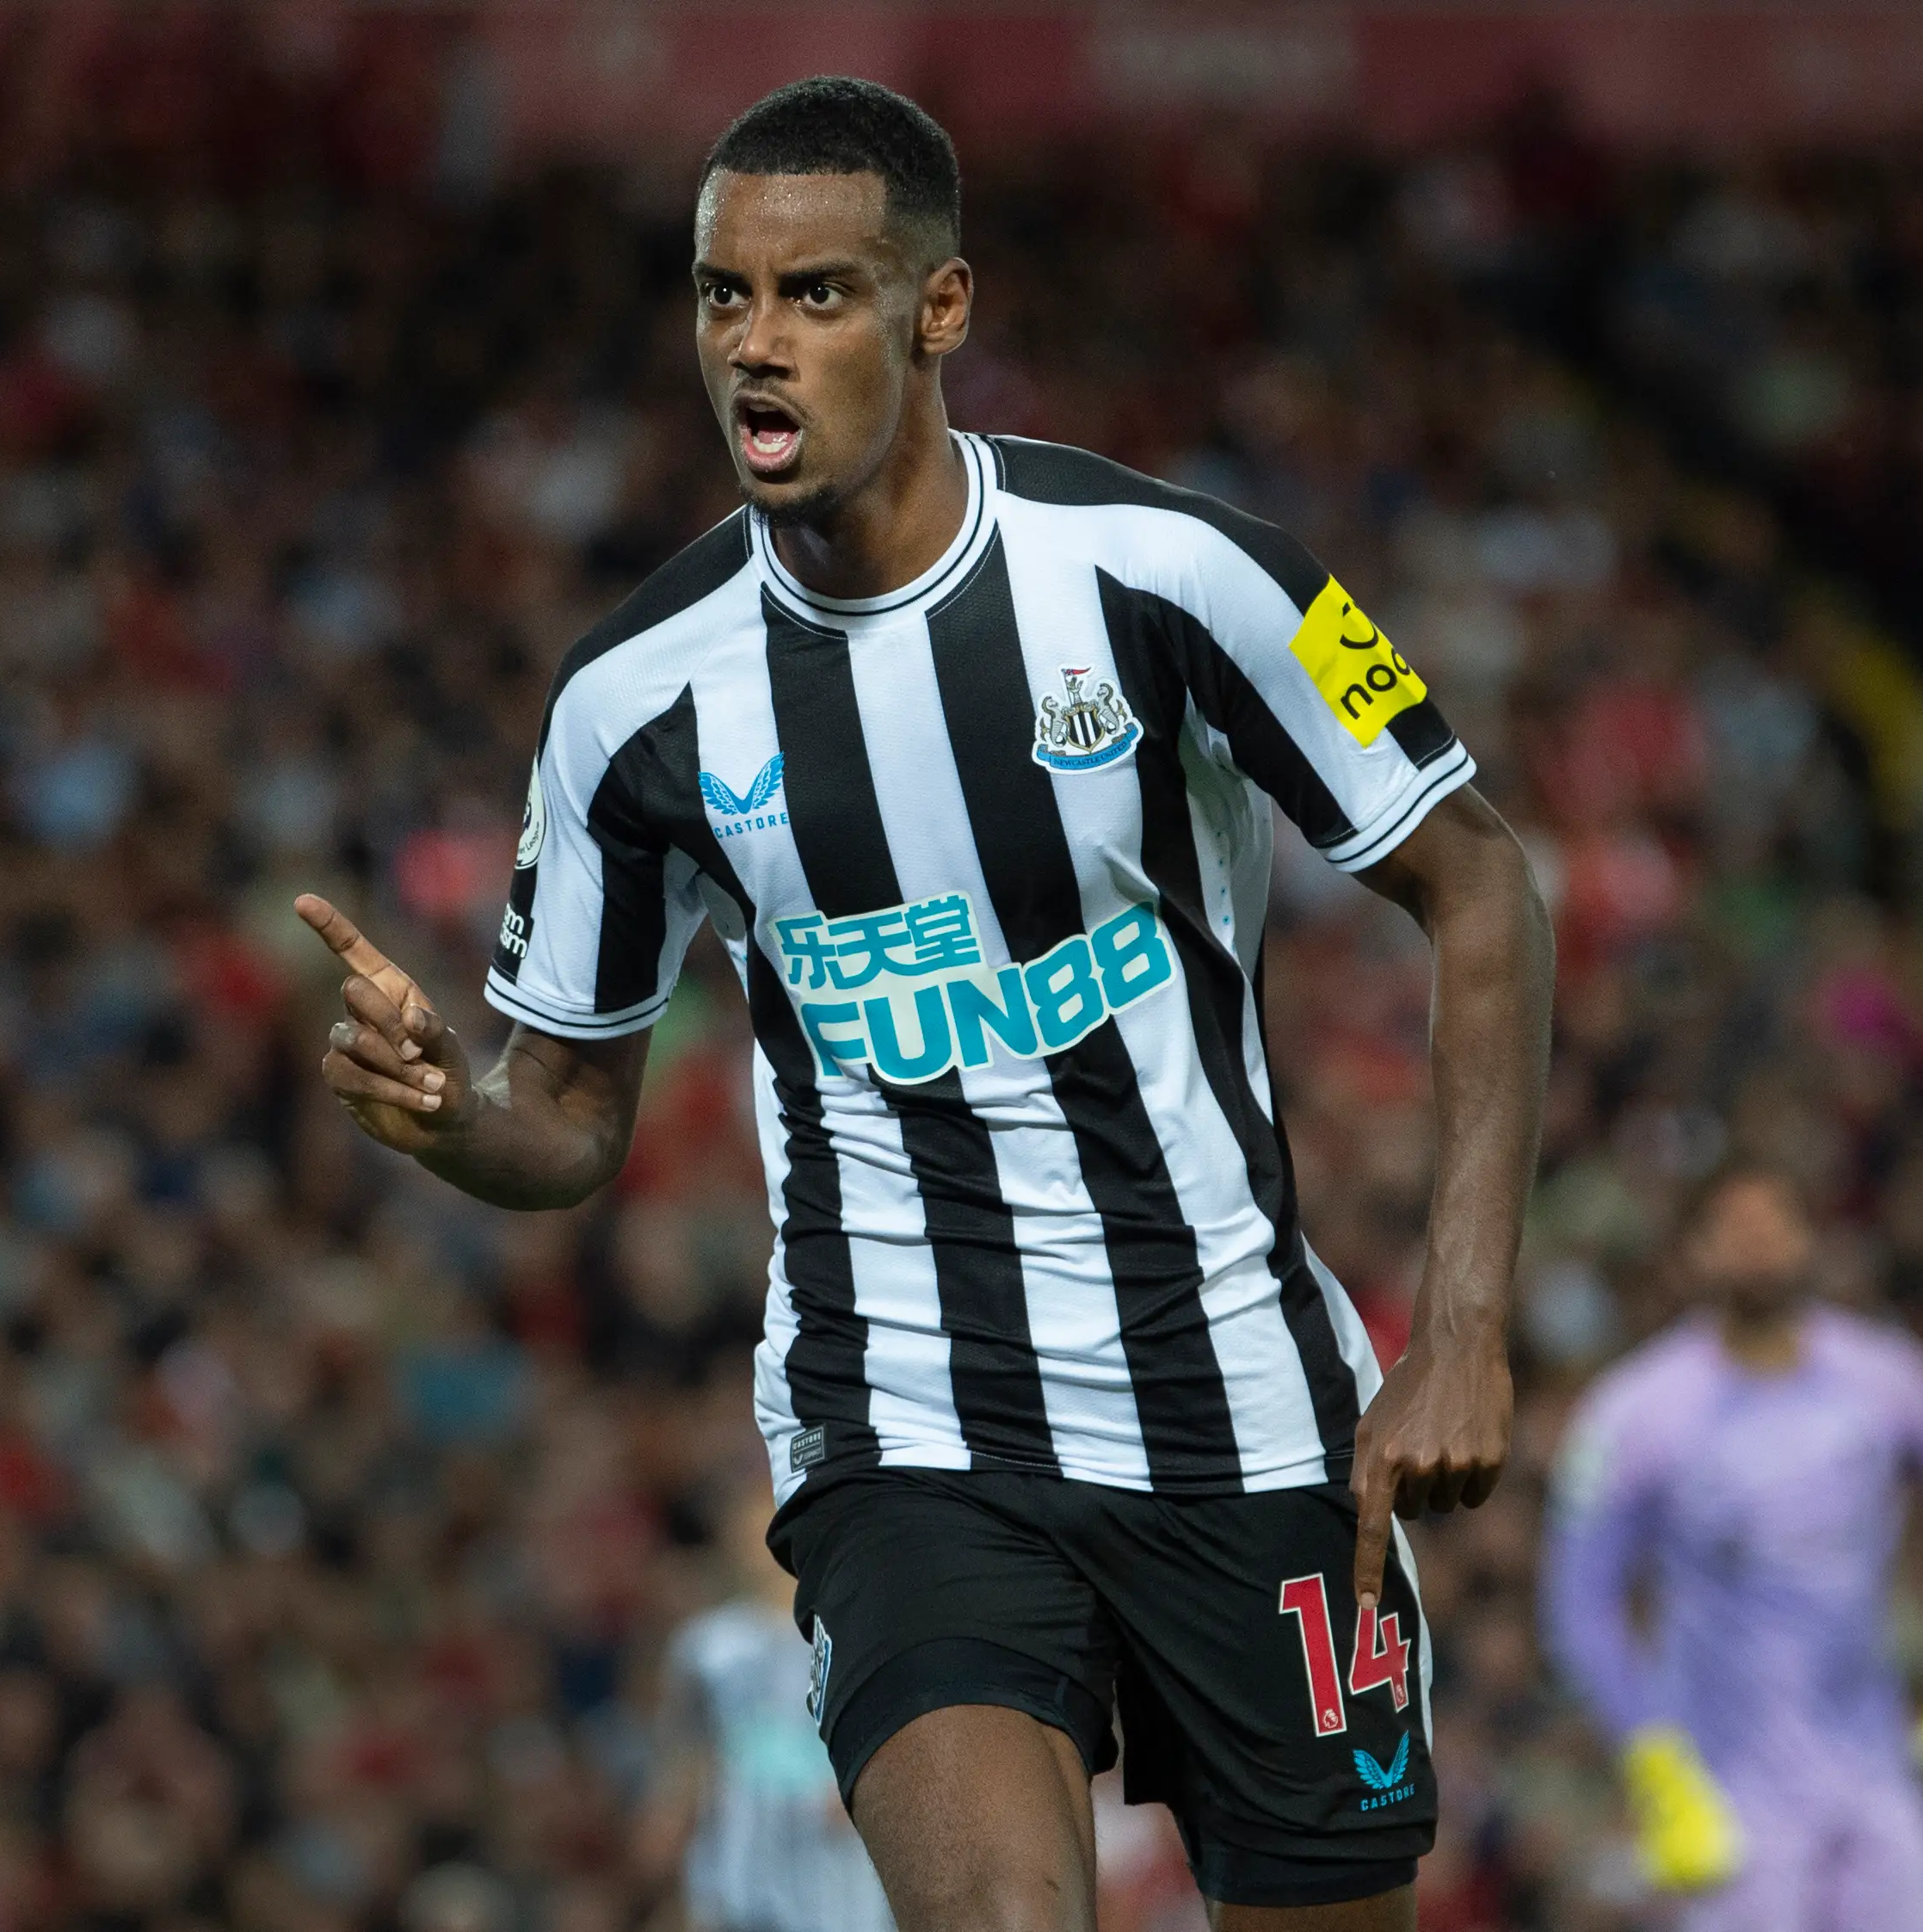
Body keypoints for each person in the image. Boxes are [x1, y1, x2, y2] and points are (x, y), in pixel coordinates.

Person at [298, 75, 1553, 1932]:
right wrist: (449, 1119)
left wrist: (1459, 1330)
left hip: (1248, 1410)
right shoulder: (635, 703)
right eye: (724, 295)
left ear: (936, 311)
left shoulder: (1175, 575)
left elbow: (1484, 883)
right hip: (908, 1426)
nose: (755, 344)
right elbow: (563, 1118)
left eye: (814, 294)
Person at [1540, 1161, 1923, 1932]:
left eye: (1775, 1223)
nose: (1760, 1246)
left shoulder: (1881, 1374)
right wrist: (1652, 1759)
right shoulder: (1638, 1412)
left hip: (1876, 1773)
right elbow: (1580, 1599)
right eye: (1735, 1229)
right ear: (1694, 1253)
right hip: (1731, 1795)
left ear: (1810, 1237)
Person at [640, 1479, 899, 1932]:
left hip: (838, 1874)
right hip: (739, 1870)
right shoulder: (706, 1647)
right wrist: (669, 1818)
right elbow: (687, 1754)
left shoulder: (857, 1636)